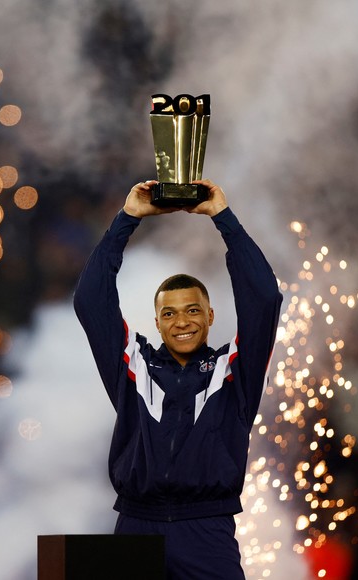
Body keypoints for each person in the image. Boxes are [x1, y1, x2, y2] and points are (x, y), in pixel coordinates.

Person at [74, 179, 283, 578]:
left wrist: (224, 218)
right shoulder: (132, 366)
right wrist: (128, 218)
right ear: (156, 322)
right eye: (169, 313)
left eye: (192, 310)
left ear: (210, 317)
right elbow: (90, 299)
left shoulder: (234, 372)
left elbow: (264, 299)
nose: (181, 321)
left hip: (207, 533)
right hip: (136, 526)